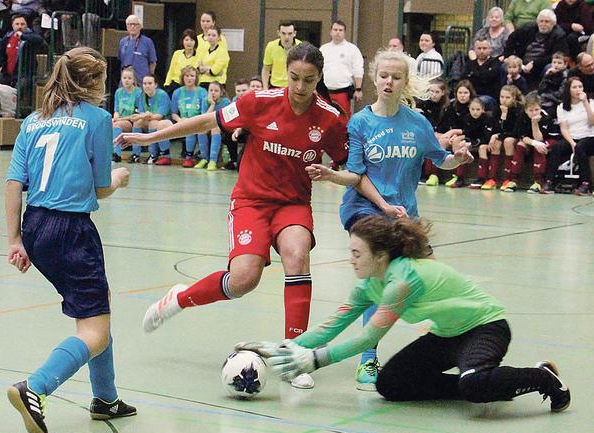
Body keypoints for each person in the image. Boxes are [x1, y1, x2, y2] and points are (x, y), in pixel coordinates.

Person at [115, 42, 349, 390]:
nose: (300, 88)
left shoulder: (328, 119)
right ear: (286, 72)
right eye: (295, 78)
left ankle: (293, 355)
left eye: (309, 81)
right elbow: (208, 121)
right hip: (251, 201)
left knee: (298, 256)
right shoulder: (260, 102)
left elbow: (351, 161)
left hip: (293, 204)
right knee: (243, 280)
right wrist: (151, 138)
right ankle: (179, 298)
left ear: (319, 79)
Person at [237, 215, 571, 414]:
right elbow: (331, 326)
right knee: (391, 384)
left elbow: (369, 337)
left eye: (357, 253)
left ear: (381, 255)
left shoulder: (402, 280)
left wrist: (315, 361)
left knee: (476, 383)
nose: (350, 259)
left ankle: (542, 377)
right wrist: (280, 348)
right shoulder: (368, 284)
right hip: (447, 335)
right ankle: (476, 384)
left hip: (486, 327)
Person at [304, 49, 473, 389]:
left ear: (405, 82)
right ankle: (368, 359)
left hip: (402, 214)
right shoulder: (361, 122)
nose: (389, 82)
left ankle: (456, 347)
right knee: (381, 281)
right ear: (373, 78)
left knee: (430, 274)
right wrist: (331, 175)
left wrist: (458, 159)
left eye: (396, 77)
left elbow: (440, 160)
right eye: (383, 76)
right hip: (364, 209)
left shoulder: (417, 122)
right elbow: (355, 175)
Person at [5, 47, 135, 433]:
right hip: (71, 230)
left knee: (99, 302)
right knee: (95, 328)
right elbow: (99, 188)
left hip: (36, 228)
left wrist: (15, 240)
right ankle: (36, 387)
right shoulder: (97, 120)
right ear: (92, 83)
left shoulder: (32, 122)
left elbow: (13, 185)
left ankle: (106, 399)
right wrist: (118, 176)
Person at [542, 76, 594, 194]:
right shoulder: (562, 107)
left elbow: (592, 122)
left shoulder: (591, 103)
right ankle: (549, 181)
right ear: (569, 90)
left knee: (580, 147)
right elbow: (564, 128)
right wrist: (571, 143)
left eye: (580, 87)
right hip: (572, 137)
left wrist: (585, 103)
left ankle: (586, 183)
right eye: (574, 87)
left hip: (589, 137)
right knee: (556, 147)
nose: (578, 90)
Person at [503, 9, 568, 89]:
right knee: (504, 65)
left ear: (553, 24)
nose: (543, 24)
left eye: (547, 22)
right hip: (521, 62)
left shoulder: (559, 35)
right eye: (541, 21)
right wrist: (508, 56)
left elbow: (555, 56)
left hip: (541, 65)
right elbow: (512, 38)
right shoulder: (528, 28)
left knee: (551, 67)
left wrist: (534, 64)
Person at [512, 92, 560, 193]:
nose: (534, 113)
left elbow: (539, 139)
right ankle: (514, 180)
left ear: (540, 108)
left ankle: (538, 181)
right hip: (532, 139)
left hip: (550, 139)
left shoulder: (546, 117)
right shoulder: (522, 117)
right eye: (531, 110)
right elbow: (522, 136)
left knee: (540, 147)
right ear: (525, 110)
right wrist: (533, 143)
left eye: (537, 110)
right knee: (520, 145)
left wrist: (534, 124)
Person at [319, 19, 364, 117]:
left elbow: (358, 70)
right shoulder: (323, 49)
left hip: (342, 92)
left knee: (343, 118)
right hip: (325, 91)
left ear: (344, 33)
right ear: (330, 32)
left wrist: (358, 89)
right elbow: (318, 70)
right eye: (335, 30)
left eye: (340, 30)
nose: (337, 32)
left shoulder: (352, 49)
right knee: (323, 117)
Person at [439, 80, 476, 188]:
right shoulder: (452, 106)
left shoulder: (474, 106)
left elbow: (470, 127)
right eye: (460, 93)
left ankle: (459, 177)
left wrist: (454, 132)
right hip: (456, 134)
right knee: (441, 140)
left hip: (470, 134)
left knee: (458, 142)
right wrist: (451, 133)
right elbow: (449, 124)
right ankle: (433, 174)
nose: (462, 96)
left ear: (470, 94)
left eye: (465, 93)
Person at [487, 85, 524, 191]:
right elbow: (495, 128)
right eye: (502, 97)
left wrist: (504, 116)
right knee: (496, 143)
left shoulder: (519, 109)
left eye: (507, 98)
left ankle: (508, 178)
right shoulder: (497, 108)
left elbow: (515, 131)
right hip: (503, 135)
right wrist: (502, 116)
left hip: (515, 136)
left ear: (513, 98)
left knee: (508, 141)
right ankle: (492, 179)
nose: (504, 100)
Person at [171, 65, 207, 167]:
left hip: (198, 120)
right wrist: (179, 120)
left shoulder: (202, 92)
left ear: (196, 78)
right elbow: (173, 113)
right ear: (183, 77)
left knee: (193, 128)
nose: (189, 78)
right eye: (186, 75)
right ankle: (188, 156)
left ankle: (203, 157)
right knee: (188, 126)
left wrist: (191, 120)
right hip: (182, 121)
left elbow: (204, 113)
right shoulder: (177, 92)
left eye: (192, 76)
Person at [131, 74, 172, 165]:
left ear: (155, 85)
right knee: (137, 123)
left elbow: (159, 116)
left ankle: (157, 154)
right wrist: (142, 116)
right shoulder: (142, 95)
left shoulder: (162, 95)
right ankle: (135, 154)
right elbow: (141, 113)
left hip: (166, 122)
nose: (147, 86)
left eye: (150, 83)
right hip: (150, 120)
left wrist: (145, 116)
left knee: (153, 123)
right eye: (145, 83)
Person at [418, 79, 450, 186]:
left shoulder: (446, 107)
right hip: (426, 133)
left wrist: (439, 133)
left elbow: (446, 126)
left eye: (437, 92)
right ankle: (423, 174)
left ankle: (433, 174)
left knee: (437, 142)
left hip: (442, 135)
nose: (433, 95)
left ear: (443, 93)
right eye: (431, 91)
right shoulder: (424, 105)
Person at [194, 81, 230, 171]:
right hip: (208, 125)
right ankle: (204, 158)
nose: (213, 92)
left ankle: (213, 161)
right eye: (211, 90)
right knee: (201, 130)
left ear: (221, 93)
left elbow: (224, 119)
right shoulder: (205, 101)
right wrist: (212, 105)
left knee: (215, 128)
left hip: (222, 127)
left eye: (216, 91)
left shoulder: (226, 102)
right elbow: (204, 119)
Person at [461, 38, 502, 110]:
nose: (481, 51)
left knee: (478, 103)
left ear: (490, 49)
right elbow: (464, 79)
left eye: (484, 48)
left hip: (488, 96)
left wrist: (473, 74)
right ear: (474, 50)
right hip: (470, 95)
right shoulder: (469, 64)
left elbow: (489, 78)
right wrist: (482, 75)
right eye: (479, 48)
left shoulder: (495, 63)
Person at [464, 98, 495, 190]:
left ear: (483, 109)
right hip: (474, 142)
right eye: (472, 109)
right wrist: (467, 142)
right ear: (469, 109)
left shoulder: (488, 118)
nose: (475, 112)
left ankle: (482, 178)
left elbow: (486, 136)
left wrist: (473, 143)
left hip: (487, 142)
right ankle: (459, 177)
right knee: (462, 146)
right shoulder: (467, 118)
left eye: (478, 110)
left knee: (482, 148)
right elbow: (467, 133)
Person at [112, 66, 142, 163]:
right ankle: (113, 152)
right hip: (121, 119)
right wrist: (116, 116)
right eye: (124, 78)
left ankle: (119, 154)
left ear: (133, 80)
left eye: (129, 78)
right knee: (111, 123)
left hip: (132, 120)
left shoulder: (138, 92)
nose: (126, 80)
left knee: (117, 125)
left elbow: (137, 114)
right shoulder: (118, 92)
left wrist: (119, 120)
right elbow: (116, 109)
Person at [118, 14, 156, 85]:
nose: (132, 26)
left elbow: (153, 63)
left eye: (135, 24)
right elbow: (121, 61)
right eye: (130, 24)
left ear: (140, 26)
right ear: (127, 26)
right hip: (125, 82)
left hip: (141, 82)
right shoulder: (122, 42)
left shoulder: (147, 42)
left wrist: (149, 78)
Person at [262, 21, 301, 88]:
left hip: (293, 85)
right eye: (283, 33)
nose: (286, 37)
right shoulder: (271, 46)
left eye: (290, 33)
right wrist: (265, 88)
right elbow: (266, 69)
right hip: (275, 85)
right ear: (278, 33)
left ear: (295, 33)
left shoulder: (300, 46)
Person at [163, 28, 198, 96]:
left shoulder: (199, 56)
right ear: (182, 41)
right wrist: (167, 84)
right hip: (175, 85)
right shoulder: (177, 53)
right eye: (186, 40)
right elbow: (171, 70)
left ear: (195, 42)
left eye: (191, 40)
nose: (189, 42)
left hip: (190, 87)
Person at [197, 25, 229, 90]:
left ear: (219, 37)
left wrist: (204, 69)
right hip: (203, 83)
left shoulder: (222, 52)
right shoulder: (203, 50)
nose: (211, 37)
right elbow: (198, 68)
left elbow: (214, 71)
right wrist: (209, 67)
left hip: (218, 84)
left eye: (214, 35)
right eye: (208, 35)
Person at [538, 52, 568, 117]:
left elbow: (560, 94)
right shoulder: (549, 73)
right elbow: (540, 90)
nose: (556, 65)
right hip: (546, 99)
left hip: (558, 102)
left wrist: (546, 95)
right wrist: (546, 76)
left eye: (559, 63)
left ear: (565, 64)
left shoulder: (566, 75)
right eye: (554, 62)